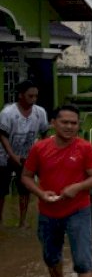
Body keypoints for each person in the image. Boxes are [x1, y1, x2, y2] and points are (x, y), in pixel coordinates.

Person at [21, 104, 92, 277]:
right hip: (48, 211)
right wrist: (40, 193)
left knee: (83, 260)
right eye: (64, 122)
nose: (69, 126)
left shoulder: (85, 148)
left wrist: (76, 188)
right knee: (50, 257)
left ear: (78, 126)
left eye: (73, 123)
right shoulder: (40, 148)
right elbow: (26, 176)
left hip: (78, 210)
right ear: (53, 123)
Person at [0, 80, 49, 228]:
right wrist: (12, 156)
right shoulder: (8, 113)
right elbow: (2, 136)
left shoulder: (40, 112)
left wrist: (39, 153)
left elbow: (44, 134)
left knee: (25, 189)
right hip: (3, 156)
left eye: (35, 96)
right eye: (30, 96)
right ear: (21, 95)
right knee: (1, 190)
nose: (33, 99)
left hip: (26, 156)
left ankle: (23, 222)